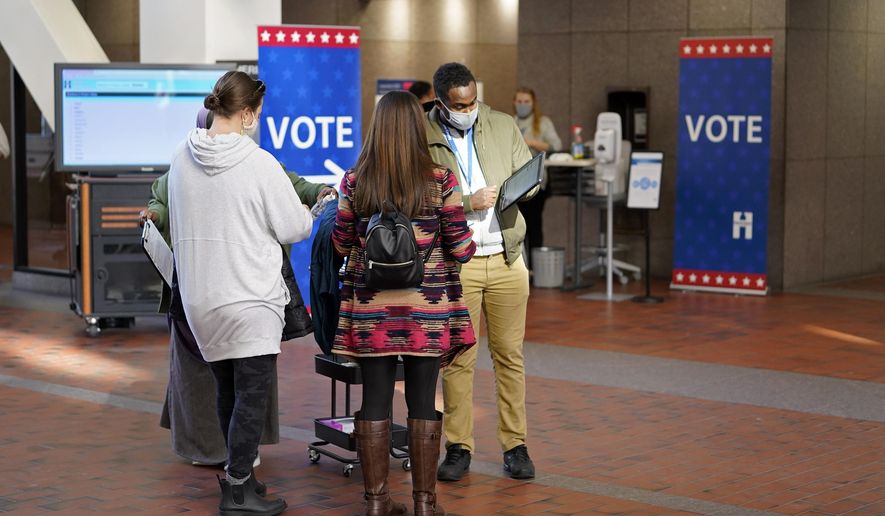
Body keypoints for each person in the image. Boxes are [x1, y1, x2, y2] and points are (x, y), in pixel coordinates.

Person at [143, 107, 334, 470]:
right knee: (238, 382)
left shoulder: (224, 161)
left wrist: (316, 191)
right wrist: (156, 213)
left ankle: (235, 463)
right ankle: (232, 466)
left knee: (230, 384)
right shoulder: (198, 163)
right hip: (239, 294)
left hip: (200, 295)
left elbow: (292, 183)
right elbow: (161, 197)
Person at [167, 71, 312, 515]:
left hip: (200, 301)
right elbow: (293, 227)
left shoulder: (180, 158)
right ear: (248, 113)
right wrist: (310, 211)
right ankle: (236, 491)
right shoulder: (259, 163)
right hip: (250, 299)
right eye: (260, 113)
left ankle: (242, 476)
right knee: (251, 395)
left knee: (228, 392)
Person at [332, 91, 476, 516]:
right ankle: (425, 503)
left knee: (374, 401)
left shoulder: (355, 181)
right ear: (418, 127)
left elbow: (340, 244)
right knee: (423, 401)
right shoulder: (441, 180)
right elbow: (462, 248)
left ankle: (376, 502)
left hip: (372, 312)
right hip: (427, 311)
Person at [425, 63, 537, 482]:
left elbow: (532, 178)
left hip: (507, 258)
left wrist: (519, 187)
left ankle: (516, 445)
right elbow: (417, 195)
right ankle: (459, 447)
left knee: (510, 357)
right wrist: (466, 202)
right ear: (441, 103)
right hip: (460, 262)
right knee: (458, 360)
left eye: (473, 101)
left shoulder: (502, 124)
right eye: (460, 105)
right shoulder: (424, 133)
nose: (469, 109)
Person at [513, 87, 562, 255]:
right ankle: (522, 266)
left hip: (536, 180)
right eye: (519, 101)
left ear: (533, 104)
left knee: (534, 223)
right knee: (518, 225)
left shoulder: (543, 122)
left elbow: (556, 146)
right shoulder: (511, 122)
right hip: (516, 181)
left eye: (526, 102)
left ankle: (535, 267)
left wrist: (532, 143)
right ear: (514, 103)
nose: (523, 105)